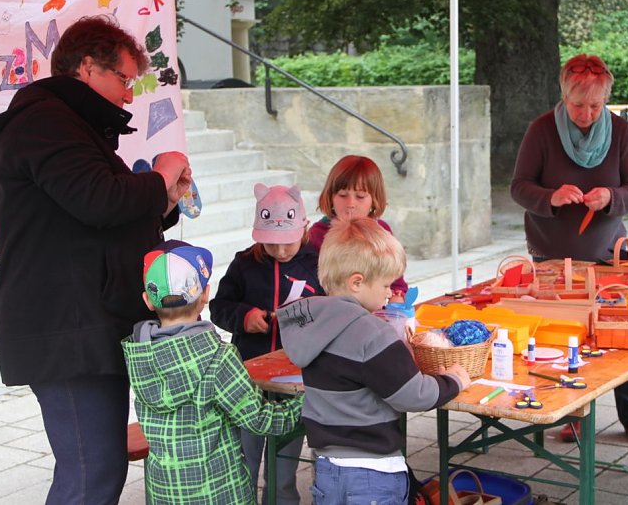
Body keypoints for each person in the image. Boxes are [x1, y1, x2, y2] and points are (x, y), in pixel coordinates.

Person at [0, 15, 191, 504]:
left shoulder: (67, 125)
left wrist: (164, 202)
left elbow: (95, 216)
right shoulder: (45, 124)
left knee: (99, 469)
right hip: (65, 328)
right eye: (125, 80)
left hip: (83, 322)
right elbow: (100, 200)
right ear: (88, 67)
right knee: (91, 473)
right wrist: (161, 175)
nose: (129, 96)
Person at [509, 53, 628, 443]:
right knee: (561, 338)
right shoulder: (541, 130)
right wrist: (551, 197)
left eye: (595, 106)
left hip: (608, 252)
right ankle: (570, 412)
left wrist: (611, 197)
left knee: (618, 337)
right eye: (578, 105)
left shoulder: (620, 131)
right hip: (551, 255)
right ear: (564, 95)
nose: (586, 114)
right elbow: (519, 187)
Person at [276, 217, 470, 504]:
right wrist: (453, 380)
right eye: (386, 284)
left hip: (328, 468)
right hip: (372, 473)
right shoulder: (372, 333)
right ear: (357, 282)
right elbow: (414, 395)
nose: (390, 293)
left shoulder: (314, 324)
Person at [122, 241, 304, 505]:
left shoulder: (139, 356)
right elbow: (260, 420)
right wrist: (304, 403)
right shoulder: (218, 358)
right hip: (220, 493)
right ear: (205, 295)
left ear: (148, 300)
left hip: (165, 493)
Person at [209, 183, 324, 505]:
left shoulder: (317, 264)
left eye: (287, 243)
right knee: (244, 460)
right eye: (272, 244)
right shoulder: (244, 264)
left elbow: (331, 308)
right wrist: (244, 317)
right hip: (249, 381)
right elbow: (219, 307)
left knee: (283, 468)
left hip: (294, 380)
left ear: (303, 228)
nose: (281, 251)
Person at [310, 154, 408, 300]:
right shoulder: (317, 235)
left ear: (374, 200)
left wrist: (396, 299)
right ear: (330, 197)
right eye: (343, 195)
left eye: (360, 196)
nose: (350, 204)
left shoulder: (382, 232)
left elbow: (396, 283)